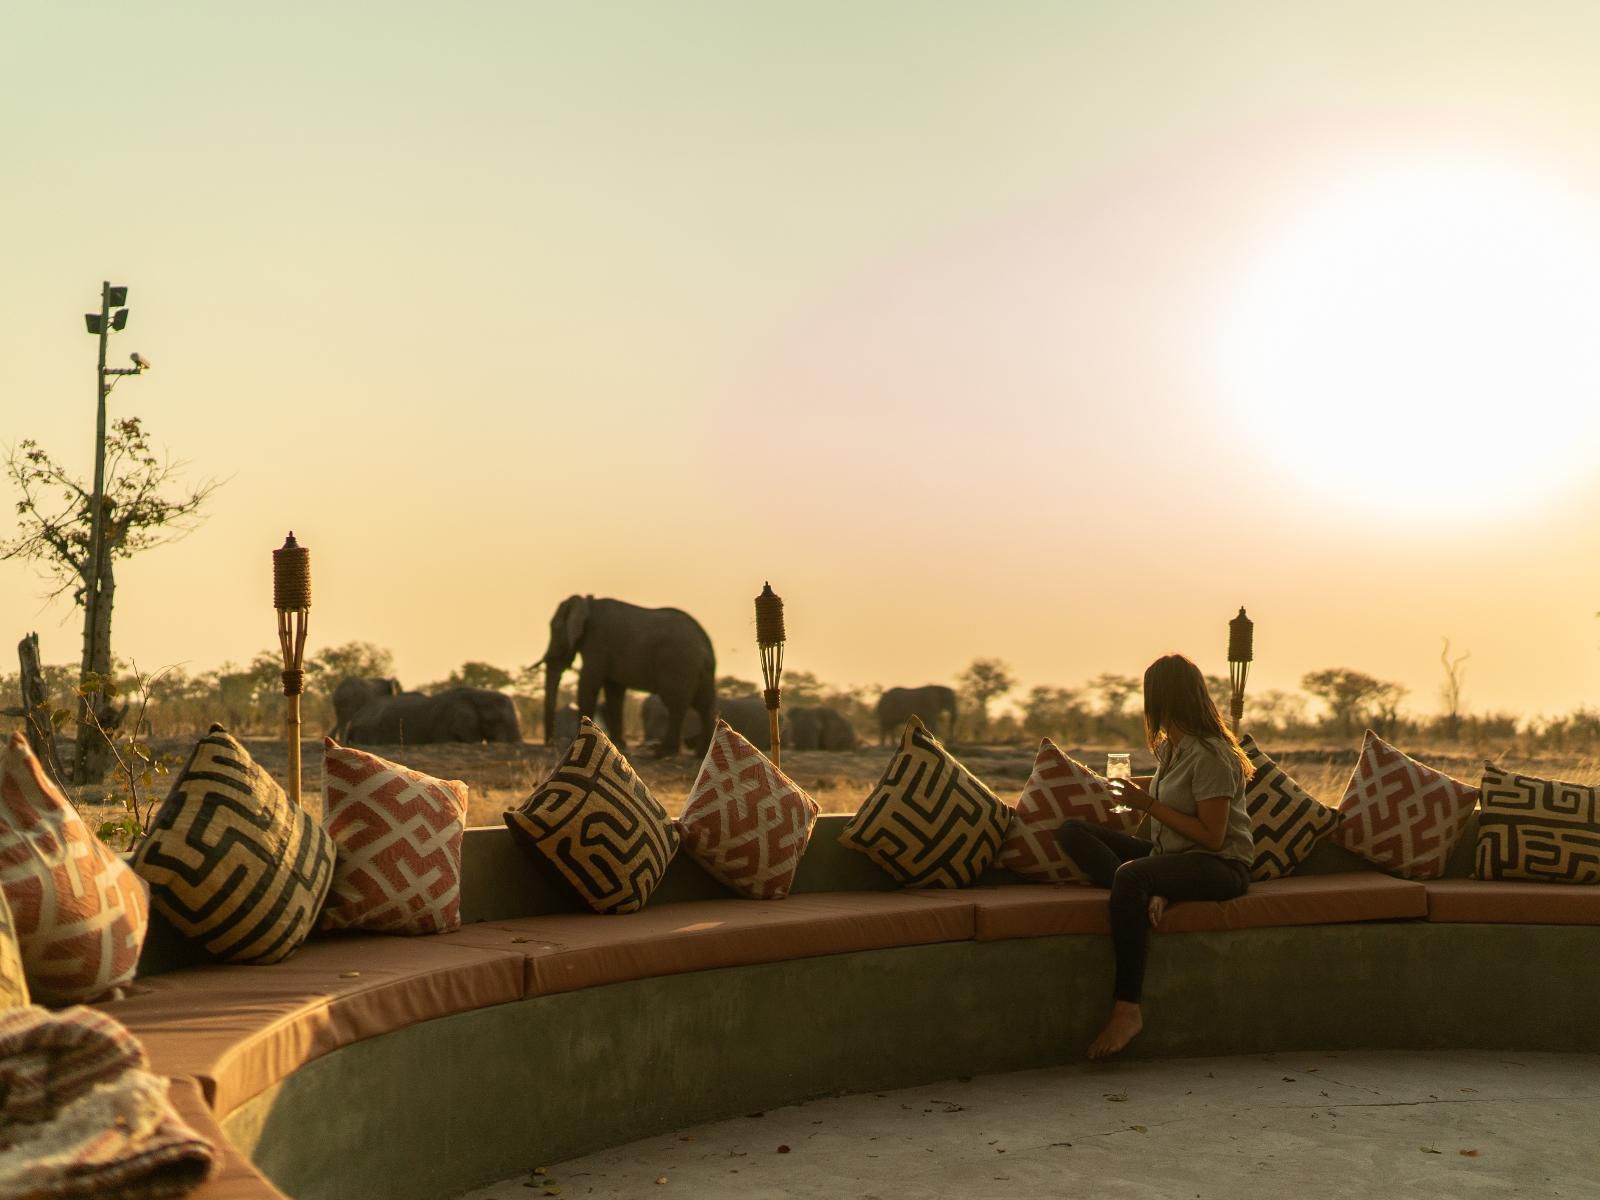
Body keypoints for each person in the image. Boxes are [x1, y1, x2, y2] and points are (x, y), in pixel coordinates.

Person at [1054, 653, 1255, 1059]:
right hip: (1178, 856)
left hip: (1221, 866)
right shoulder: (1170, 750)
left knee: (1129, 877)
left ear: (1163, 699)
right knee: (1072, 832)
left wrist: (1145, 805)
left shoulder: (1211, 754)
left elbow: (1212, 838)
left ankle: (1128, 1008)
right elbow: (1168, 831)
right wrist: (1156, 871)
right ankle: (1147, 892)